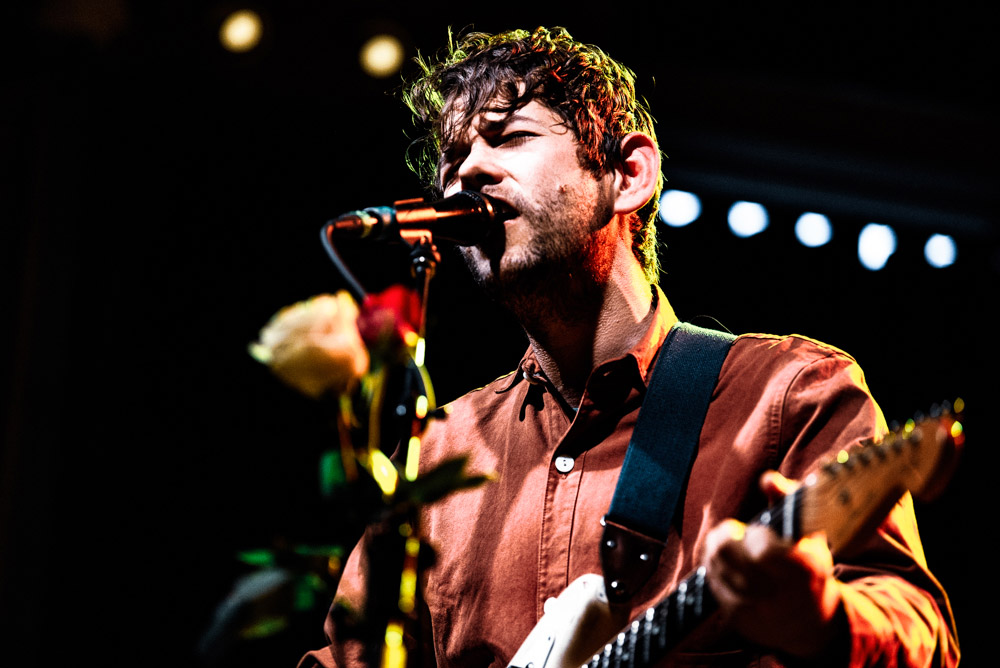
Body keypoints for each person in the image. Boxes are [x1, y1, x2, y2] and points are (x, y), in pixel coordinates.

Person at [299, 26, 958, 667]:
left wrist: (819, 619)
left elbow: (916, 627)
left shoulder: (788, 395)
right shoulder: (436, 453)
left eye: (511, 137)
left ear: (628, 174)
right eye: (454, 156)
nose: (467, 170)